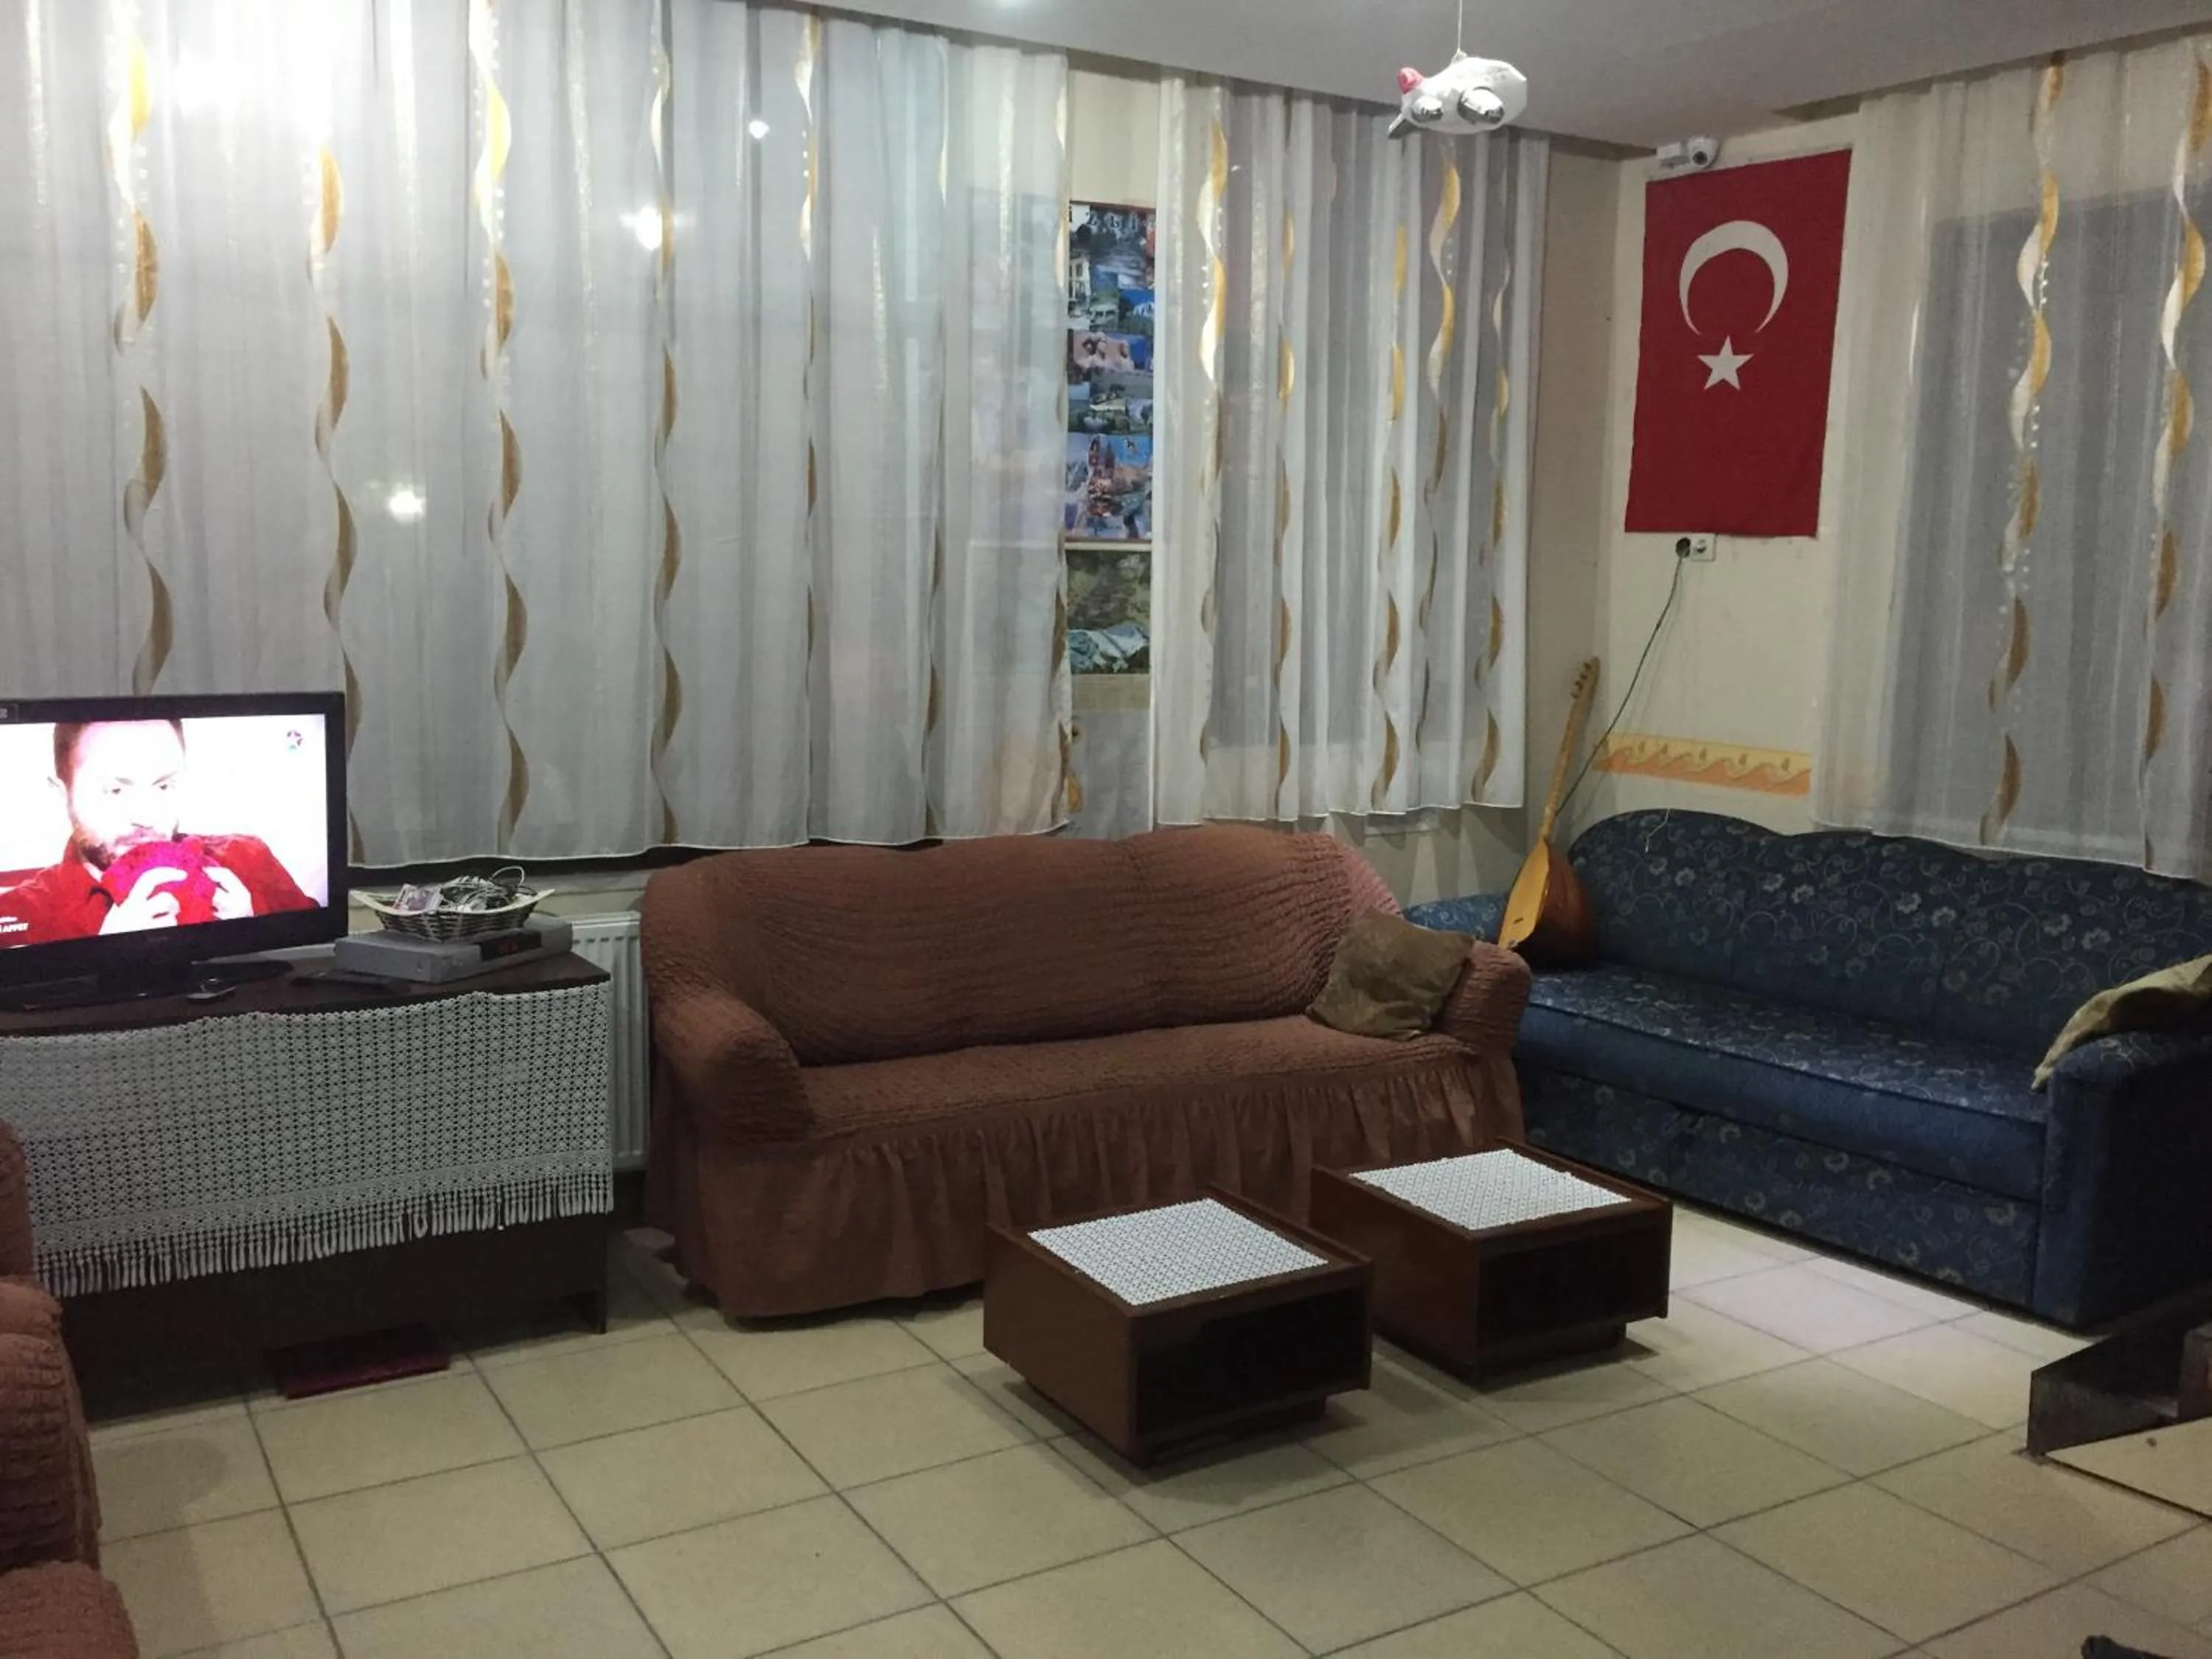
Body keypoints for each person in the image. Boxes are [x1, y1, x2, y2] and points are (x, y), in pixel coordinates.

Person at [0, 719, 314, 948]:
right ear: (62, 794)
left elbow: (316, 961)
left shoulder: (247, 859)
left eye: (164, 786)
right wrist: (103, 956)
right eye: (115, 790)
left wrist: (252, 934)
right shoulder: (20, 915)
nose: (146, 816)